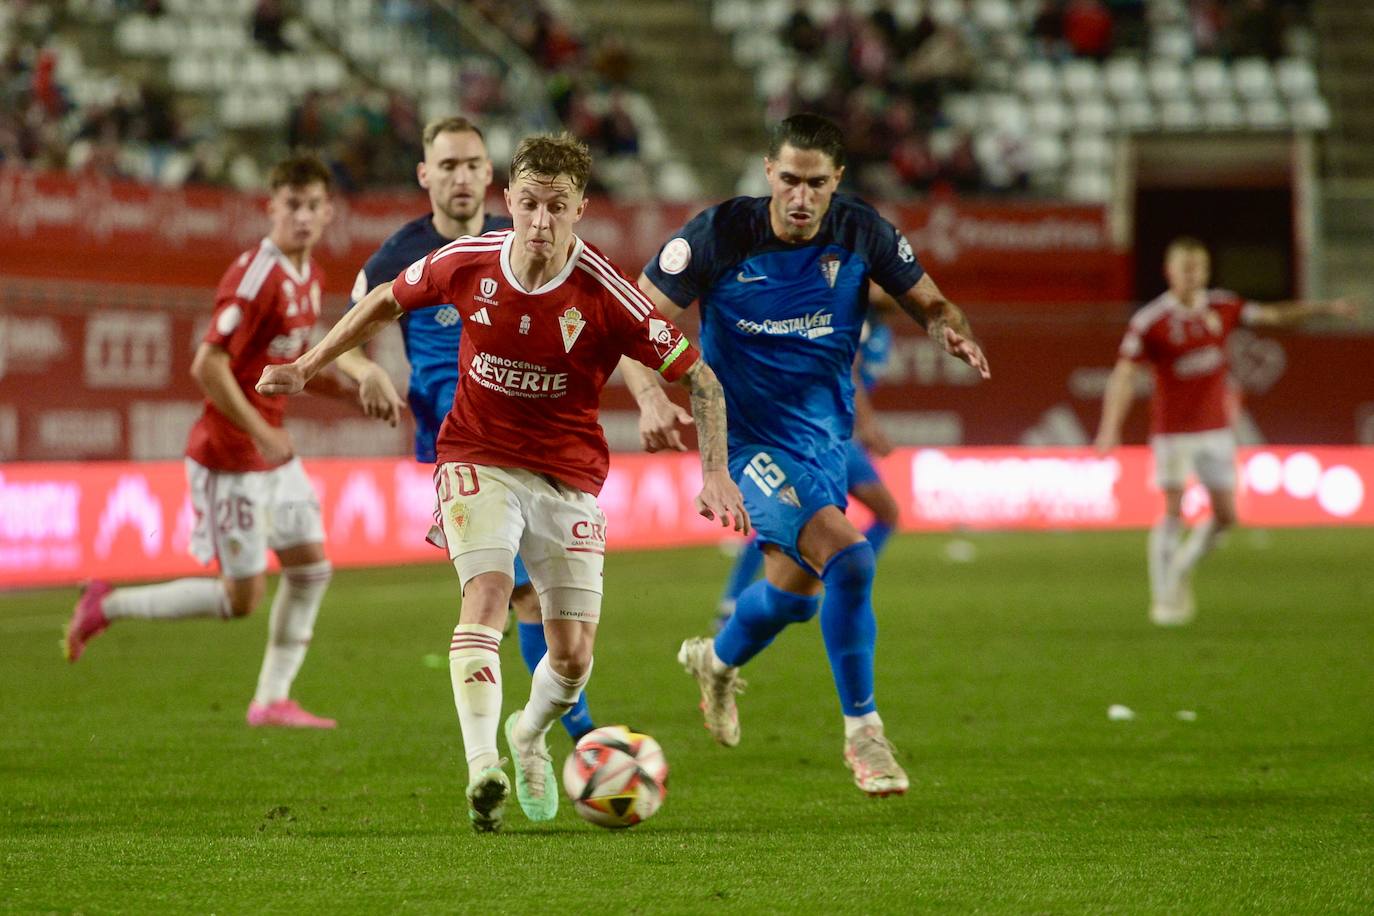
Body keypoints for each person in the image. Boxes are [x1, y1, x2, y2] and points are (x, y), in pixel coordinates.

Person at [257, 133, 748, 832]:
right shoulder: (466, 261)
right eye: (527, 205)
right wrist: (308, 367)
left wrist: (715, 472)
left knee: (572, 657)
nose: (540, 224)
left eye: (557, 207)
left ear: (579, 208)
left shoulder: (605, 292)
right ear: (507, 202)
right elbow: (383, 303)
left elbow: (697, 375)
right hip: (474, 456)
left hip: (568, 474)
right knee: (488, 592)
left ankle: (528, 735)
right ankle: (482, 766)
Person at [624, 113, 990, 797]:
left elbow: (934, 303)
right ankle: (865, 734)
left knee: (796, 601)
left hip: (825, 440)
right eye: (788, 179)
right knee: (850, 557)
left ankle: (717, 662)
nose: (800, 197)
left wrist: (948, 330)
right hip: (747, 441)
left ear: (836, 183)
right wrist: (648, 395)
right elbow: (632, 324)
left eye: (815, 183)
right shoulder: (720, 234)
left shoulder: (862, 231)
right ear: (768, 173)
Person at [335, 116, 596, 740]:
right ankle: (578, 737)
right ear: (425, 174)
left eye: (473, 164)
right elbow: (351, 328)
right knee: (530, 596)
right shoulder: (401, 253)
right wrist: (363, 371)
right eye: (447, 166)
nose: (461, 177)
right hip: (461, 442)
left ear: (492, 176)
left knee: (518, 594)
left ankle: (543, 729)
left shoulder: (521, 241)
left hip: (528, 439)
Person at [63, 153, 346, 729]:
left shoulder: (310, 277)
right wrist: (263, 430)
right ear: (271, 207)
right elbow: (207, 366)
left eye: (314, 205)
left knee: (312, 567)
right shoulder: (255, 275)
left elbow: (293, 363)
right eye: (292, 204)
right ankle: (105, 604)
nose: (303, 216)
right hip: (230, 457)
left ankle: (270, 701)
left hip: (270, 456)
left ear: (328, 213)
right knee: (241, 600)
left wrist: (359, 390)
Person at [1094, 236, 1358, 625]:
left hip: (1216, 430)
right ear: (1169, 272)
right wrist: (1109, 427)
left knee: (1226, 515)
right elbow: (1124, 374)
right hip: (1172, 432)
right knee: (1171, 509)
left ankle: (1183, 566)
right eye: (1184, 268)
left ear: (1205, 271)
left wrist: (1325, 309)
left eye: (1197, 267)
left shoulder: (1223, 306)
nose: (1192, 275)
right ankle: (1165, 598)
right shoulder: (1151, 322)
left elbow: (1273, 316)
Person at [713, 302, 900, 632]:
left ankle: (839, 579)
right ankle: (738, 599)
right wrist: (868, 425)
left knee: (877, 514)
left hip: (839, 437)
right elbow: (847, 373)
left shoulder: (881, 330)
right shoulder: (849, 316)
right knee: (789, 518)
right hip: (816, 434)